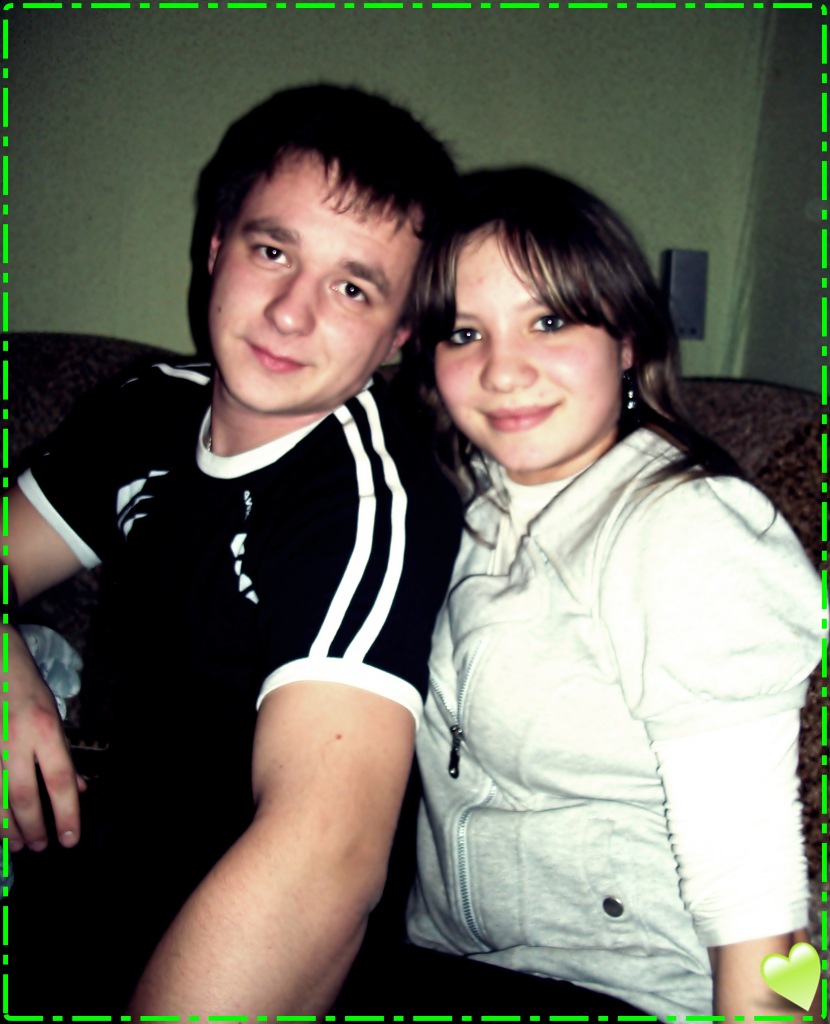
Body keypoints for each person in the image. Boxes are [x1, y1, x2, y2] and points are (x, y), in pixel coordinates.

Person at [4, 84, 462, 1014]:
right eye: (272, 251)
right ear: (216, 247)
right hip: (93, 868)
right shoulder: (147, 407)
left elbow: (322, 856)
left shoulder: (368, 495)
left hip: (236, 938)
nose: (291, 312)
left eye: (352, 287)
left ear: (399, 333)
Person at [402, 167, 822, 1018]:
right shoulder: (465, 504)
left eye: (549, 321)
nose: (502, 371)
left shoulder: (688, 530)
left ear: (626, 339)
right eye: (465, 333)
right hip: (446, 961)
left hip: (642, 992)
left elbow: (752, 875)